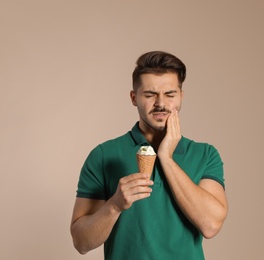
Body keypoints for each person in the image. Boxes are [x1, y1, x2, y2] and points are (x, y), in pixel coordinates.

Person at [70, 51, 228, 260]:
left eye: (170, 94)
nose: (161, 103)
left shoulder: (205, 154)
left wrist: (166, 158)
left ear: (181, 96)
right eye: (150, 94)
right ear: (134, 98)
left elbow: (211, 225)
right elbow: (81, 242)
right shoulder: (103, 155)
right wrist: (115, 205)